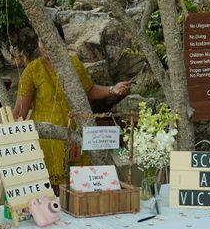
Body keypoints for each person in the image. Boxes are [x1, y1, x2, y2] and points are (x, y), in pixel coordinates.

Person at [12, 23, 131, 186]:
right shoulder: (32, 70)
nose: (46, 47)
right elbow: (20, 111)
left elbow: (88, 90)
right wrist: (8, 139)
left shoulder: (73, 64)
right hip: (47, 139)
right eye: (42, 42)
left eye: (51, 41)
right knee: (52, 190)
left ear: (61, 41)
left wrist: (112, 89)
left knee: (79, 186)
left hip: (74, 133)